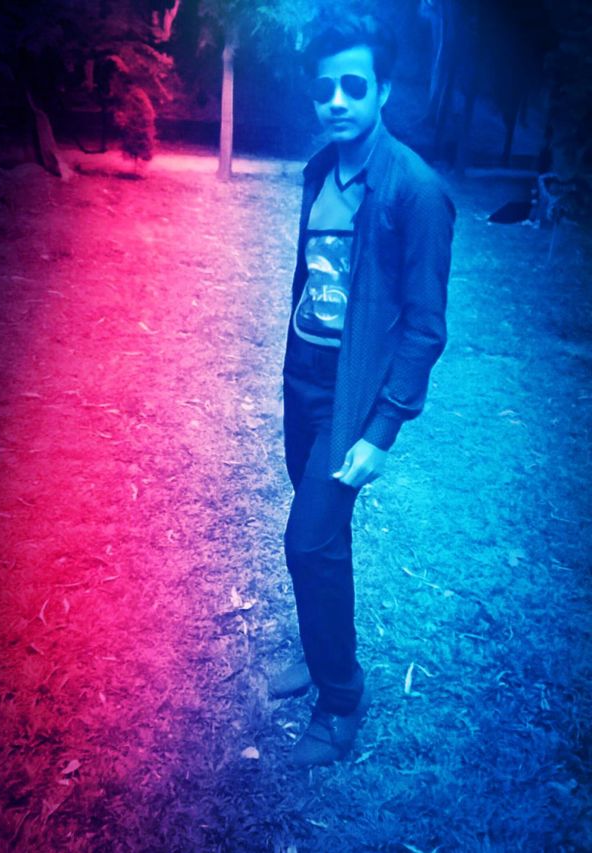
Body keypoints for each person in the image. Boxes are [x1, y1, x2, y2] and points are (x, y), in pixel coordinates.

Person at [268, 14, 456, 767]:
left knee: (307, 541)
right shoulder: (319, 170)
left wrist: (382, 428)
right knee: (325, 539)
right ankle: (323, 654)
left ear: (383, 90)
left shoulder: (417, 190)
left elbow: (425, 328)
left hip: (353, 396)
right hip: (304, 382)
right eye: (325, 88)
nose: (337, 100)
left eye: (354, 84)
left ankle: (341, 702)